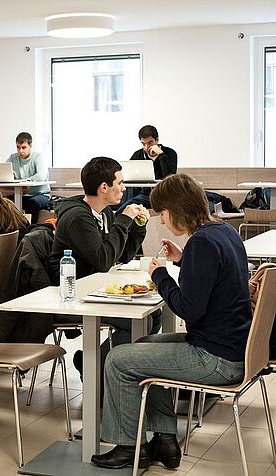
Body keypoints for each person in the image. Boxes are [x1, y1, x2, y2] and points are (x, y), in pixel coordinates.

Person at [92, 173, 251, 471]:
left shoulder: (202, 243)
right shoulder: (222, 231)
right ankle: (165, 442)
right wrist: (183, 258)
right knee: (144, 346)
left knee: (117, 359)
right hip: (233, 347)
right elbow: (212, 277)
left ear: (176, 208)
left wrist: (160, 275)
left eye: (163, 214)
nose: (162, 222)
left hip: (215, 357)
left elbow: (188, 309)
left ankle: (129, 448)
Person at [49, 157, 151, 378]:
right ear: (104, 187)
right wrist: (123, 220)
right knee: (139, 320)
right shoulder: (78, 217)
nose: (124, 189)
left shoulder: (103, 212)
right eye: (120, 183)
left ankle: (100, 366)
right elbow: (104, 260)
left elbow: (119, 256)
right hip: (72, 296)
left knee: (153, 316)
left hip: (94, 289)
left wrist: (138, 227)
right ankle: (98, 369)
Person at [118, 125, 178, 212]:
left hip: (161, 193)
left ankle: (117, 216)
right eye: (143, 144)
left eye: (150, 143)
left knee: (133, 202)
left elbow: (169, 175)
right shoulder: (138, 154)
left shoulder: (170, 154)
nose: (146, 147)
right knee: (126, 198)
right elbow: (128, 173)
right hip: (142, 192)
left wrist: (161, 155)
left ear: (156, 140)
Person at [6, 132, 51, 223]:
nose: (20, 151)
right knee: (3, 202)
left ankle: (30, 230)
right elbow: (5, 171)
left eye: (24, 147)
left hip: (40, 195)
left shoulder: (38, 157)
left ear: (30, 146)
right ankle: (10, 230)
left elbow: (41, 176)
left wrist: (24, 181)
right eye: (18, 147)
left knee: (32, 203)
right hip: (22, 195)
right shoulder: (13, 157)